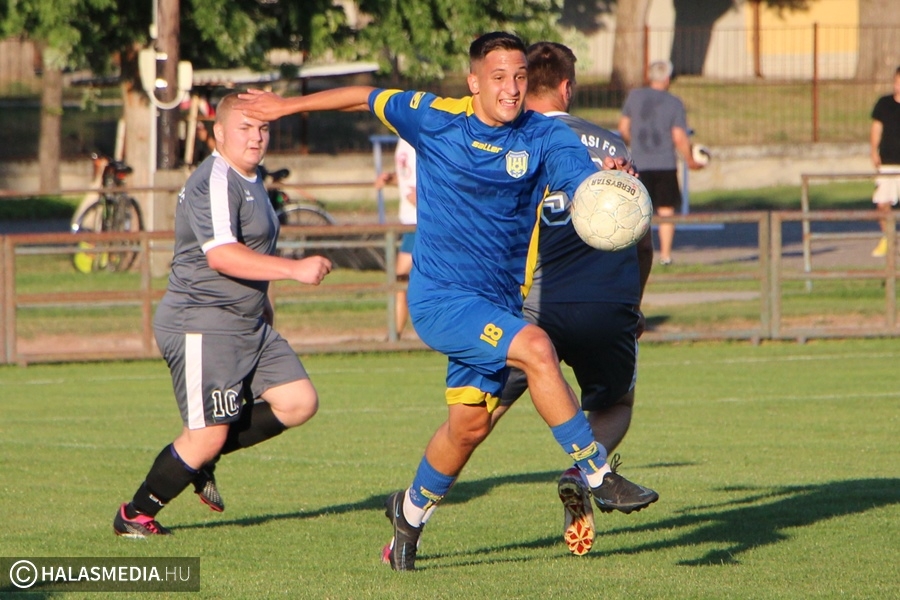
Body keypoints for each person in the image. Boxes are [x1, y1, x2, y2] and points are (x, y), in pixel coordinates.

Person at [236, 31, 658, 572]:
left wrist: (608, 186)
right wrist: (286, 106)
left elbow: (583, 188)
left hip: (498, 305)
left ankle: (408, 515)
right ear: (473, 81)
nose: (511, 89)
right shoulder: (434, 117)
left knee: (468, 428)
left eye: (520, 77)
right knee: (536, 347)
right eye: (499, 77)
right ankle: (598, 474)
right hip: (441, 300)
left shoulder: (545, 137)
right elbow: (364, 95)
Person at [112, 93, 333, 537]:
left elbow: (251, 251)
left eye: (263, 128)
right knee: (206, 436)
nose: (256, 137)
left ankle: (200, 459)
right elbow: (222, 255)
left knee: (298, 401)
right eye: (245, 128)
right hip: (202, 322)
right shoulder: (214, 180)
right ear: (219, 133)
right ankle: (134, 514)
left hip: (246, 323)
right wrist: (294, 269)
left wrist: (262, 302)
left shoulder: (252, 179)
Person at [618, 59, 704, 266]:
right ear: (666, 78)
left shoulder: (634, 97)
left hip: (639, 163)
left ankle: (637, 255)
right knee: (666, 210)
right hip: (665, 163)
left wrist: (633, 145)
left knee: (637, 210)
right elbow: (678, 136)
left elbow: (623, 128)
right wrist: (690, 159)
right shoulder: (674, 102)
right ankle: (665, 256)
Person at [374, 137, 417, 338]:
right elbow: (408, 177)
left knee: (400, 278)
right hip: (409, 222)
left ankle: (395, 334)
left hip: (420, 223)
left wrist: (425, 196)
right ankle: (395, 333)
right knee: (403, 280)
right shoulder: (403, 140)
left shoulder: (419, 136)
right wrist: (391, 179)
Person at [869, 66, 900, 258]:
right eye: (897, 82)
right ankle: (888, 237)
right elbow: (876, 128)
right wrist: (873, 151)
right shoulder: (884, 104)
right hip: (888, 162)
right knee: (882, 204)